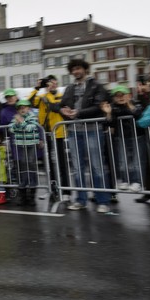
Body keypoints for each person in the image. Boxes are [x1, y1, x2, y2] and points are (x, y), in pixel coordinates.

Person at [59, 59, 111, 213]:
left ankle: (103, 201)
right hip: (74, 130)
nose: (76, 71)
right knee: (77, 167)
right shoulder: (69, 88)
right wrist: (62, 110)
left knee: (97, 166)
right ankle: (81, 200)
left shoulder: (97, 85)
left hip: (93, 129)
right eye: (73, 69)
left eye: (79, 68)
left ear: (85, 69)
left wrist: (79, 113)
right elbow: (61, 104)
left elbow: (99, 106)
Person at [30, 75, 70, 201]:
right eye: (49, 83)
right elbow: (30, 102)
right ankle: (52, 190)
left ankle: (66, 191)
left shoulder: (60, 95)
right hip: (46, 134)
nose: (52, 84)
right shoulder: (42, 97)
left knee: (62, 163)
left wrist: (46, 93)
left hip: (59, 134)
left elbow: (55, 107)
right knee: (49, 165)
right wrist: (37, 88)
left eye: (54, 82)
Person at [101, 85, 145, 193]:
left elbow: (138, 114)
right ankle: (125, 180)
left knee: (136, 160)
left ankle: (136, 182)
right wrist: (108, 113)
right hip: (120, 137)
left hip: (137, 136)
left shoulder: (136, 104)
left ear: (129, 95)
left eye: (122, 95)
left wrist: (129, 104)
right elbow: (108, 123)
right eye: (117, 96)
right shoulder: (113, 107)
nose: (120, 97)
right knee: (122, 160)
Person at [9, 99, 41, 206]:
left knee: (31, 166)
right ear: (18, 110)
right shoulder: (15, 118)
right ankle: (23, 195)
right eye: (20, 108)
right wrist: (20, 125)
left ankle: (32, 196)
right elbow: (11, 129)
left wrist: (21, 123)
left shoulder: (32, 117)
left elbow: (31, 127)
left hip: (31, 145)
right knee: (22, 168)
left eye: (24, 107)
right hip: (20, 145)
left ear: (28, 108)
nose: (22, 109)